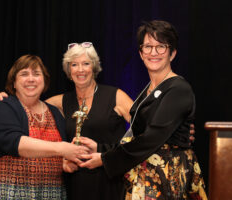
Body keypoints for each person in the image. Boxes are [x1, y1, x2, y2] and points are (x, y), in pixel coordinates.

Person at [78, 20, 208, 200]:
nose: (153, 53)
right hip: (146, 177)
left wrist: (106, 159)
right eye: (148, 47)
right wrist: (100, 148)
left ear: (172, 53)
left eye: (161, 46)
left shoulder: (178, 89)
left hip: (167, 178)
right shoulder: (148, 90)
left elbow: (151, 139)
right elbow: (138, 137)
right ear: (140, 53)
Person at [0, 43, 133, 200]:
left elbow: (144, 135)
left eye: (86, 63)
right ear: (69, 71)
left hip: (110, 184)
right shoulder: (59, 102)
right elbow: (28, 103)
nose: (80, 69)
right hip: (74, 185)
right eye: (74, 64)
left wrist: (105, 155)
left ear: (94, 67)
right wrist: (4, 98)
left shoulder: (116, 96)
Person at [0, 55, 89, 200]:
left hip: (50, 194)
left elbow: (54, 155)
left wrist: (63, 163)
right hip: (7, 194)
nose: (31, 79)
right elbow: (18, 144)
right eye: (24, 74)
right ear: (14, 83)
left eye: (36, 74)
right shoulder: (3, 108)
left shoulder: (55, 113)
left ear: (45, 81)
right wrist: (62, 148)